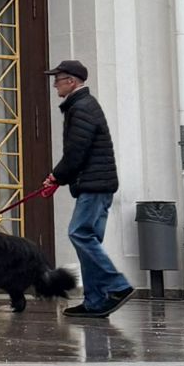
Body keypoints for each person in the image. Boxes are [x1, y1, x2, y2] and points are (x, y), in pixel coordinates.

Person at [36, 60, 131, 320]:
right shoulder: (81, 106)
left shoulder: (82, 108)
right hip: (97, 184)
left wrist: (56, 176)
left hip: (94, 185)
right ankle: (95, 301)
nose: (54, 84)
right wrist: (59, 177)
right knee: (88, 239)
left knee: (79, 233)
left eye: (58, 79)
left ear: (71, 81)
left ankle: (117, 285)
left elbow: (77, 152)